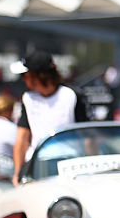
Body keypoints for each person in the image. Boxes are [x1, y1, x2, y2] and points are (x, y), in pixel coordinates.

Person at [10, 51, 89, 185]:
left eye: (25, 75)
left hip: (70, 162)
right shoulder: (28, 98)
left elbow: (87, 135)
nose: (23, 79)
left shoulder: (71, 95)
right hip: (38, 161)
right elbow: (21, 139)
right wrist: (18, 174)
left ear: (37, 76)